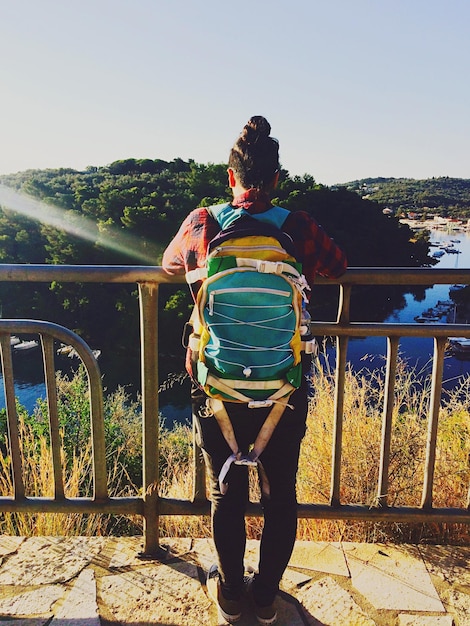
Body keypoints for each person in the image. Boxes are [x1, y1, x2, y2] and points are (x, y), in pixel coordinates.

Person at [162, 116, 347, 625]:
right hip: (283, 386)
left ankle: (229, 593)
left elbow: (168, 265)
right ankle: (266, 598)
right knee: (278, 491)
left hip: (216, 386)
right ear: (279, 179)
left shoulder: (204, 222)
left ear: (230, 176)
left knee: (227, 490)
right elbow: (339, 266)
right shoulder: (299, 227)